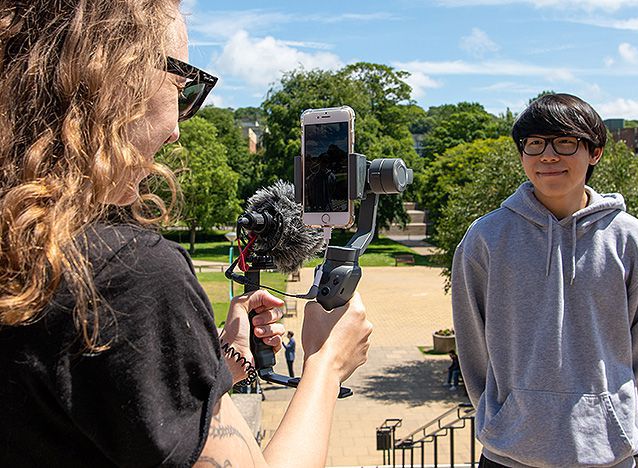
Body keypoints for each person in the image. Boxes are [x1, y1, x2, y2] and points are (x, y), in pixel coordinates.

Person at [0, 2, 373, 467]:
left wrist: (201, 365)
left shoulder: (25, 248)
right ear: (114, 77)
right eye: (181, 85)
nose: (177, 129)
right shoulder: (124, 277)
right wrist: (325, 365)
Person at [452, 94, 638, 468]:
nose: (547, 156)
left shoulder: (633, 241)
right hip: (507, 453)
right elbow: (472, 338)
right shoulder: (486, 238)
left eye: (565, 142)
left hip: (606, 455)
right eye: (534, 144)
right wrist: (502, 415)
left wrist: (610, 414)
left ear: (595, 152)